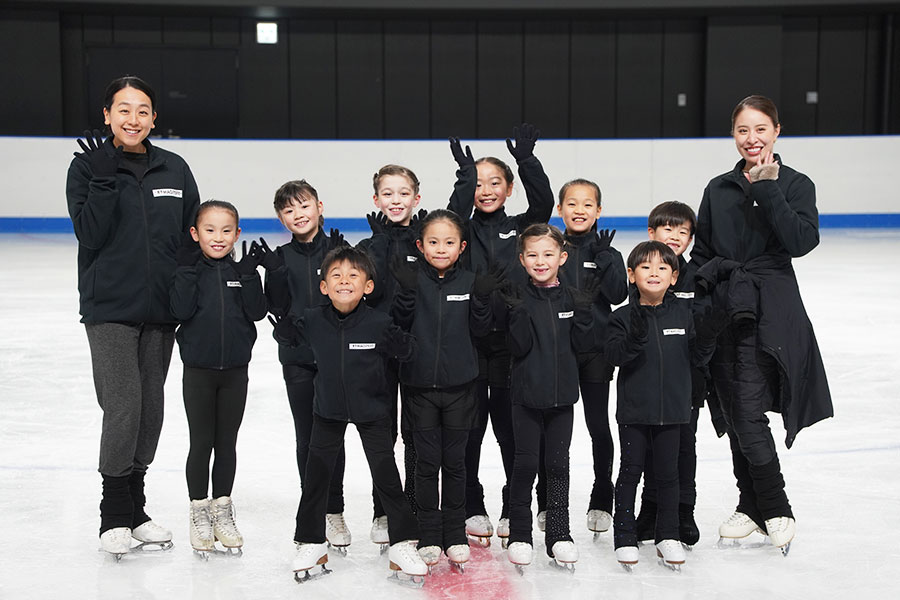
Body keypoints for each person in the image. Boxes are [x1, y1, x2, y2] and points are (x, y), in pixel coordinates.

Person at [691, 94, 833, 555]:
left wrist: (768, 186)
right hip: (724, 306)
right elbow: (705, 251)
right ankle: (750, 505)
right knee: (731, 408)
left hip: (770, 307)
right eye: (742, 131)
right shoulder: (717, 187)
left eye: (760, 129)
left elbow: (800, 241)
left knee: (748, 408)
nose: (751, 139)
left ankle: (776, 504)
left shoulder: (795, 183)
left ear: (776, 131)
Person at [66, 75, 200, 558]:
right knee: (123, 404)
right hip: (110, 309)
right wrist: (103, 177)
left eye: (142, 110)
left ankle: (136, 508)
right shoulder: (86, 169)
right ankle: (112, 515)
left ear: (154, 118)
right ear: (107, 115)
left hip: (162, 310)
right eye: (123, 109)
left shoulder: (173, 167)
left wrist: (191, 291)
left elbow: (191, 237)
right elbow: (90, 234)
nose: (132, 119)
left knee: (151, 409)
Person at [273, 246, 427, 584]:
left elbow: (407, 350)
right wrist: (282, 325)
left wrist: (401, 343)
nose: (345, 281)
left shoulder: (378, 322)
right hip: (327, 410)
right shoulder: (314, 319)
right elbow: (288, 334)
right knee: (316, 479)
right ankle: (311, 540)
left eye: (353, 275)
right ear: (324, 286)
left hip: (372, 411)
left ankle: (402, 541)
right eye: (336, 276)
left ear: (368, 286)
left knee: (386, 475)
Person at [357, 159, 476, 547]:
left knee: (415, 438)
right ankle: (383, 509)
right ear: (376, 199)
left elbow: (455, 221)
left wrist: (466, 176)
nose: (396, 200)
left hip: (419, 354)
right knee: (383, 432)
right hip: (380, 351)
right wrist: (377, 243)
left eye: (403, 193)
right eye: (388, 194)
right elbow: (362, 289)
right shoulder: (371, 242)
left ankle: (410, 507)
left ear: (416, 197)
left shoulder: (425, 240)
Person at [447, 124, 554, 547]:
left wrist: (526, 161)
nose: (485, 189)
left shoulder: (522, 227)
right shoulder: (462, 231)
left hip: (513, 349)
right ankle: (473, 503)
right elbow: (452, 217)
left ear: (509, 189)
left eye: (495, 182)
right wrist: (463, 178)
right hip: (471, 346)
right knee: (470, 429)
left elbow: (544, 202)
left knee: (512, 430)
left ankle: (515, 502)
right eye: (479, 183)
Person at [390, 209, 495, 571]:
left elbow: (481, 332)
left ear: (461, 247)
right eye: (433, 242)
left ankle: (454, 532)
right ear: (420, 246)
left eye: (449, 242)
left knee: (455, 464)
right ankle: (429, 532)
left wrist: (481, 300)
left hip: (461, 389)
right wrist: (404, 294)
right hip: (419, 388)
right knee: (425, 464)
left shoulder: (468, 281)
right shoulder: (412, 280)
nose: (440, 248)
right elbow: (399, 324)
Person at [605, 241, 720, 571]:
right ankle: (625, 536)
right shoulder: (622, 318)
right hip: (634, 413)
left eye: (662, 268)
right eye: (645, 266)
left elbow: (697, 359)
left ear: (674, 277)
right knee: (630, 473)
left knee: (669, 476)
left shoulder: (684, 315)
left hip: (674, 411)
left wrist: (708, 336)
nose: (653, 272)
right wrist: (633, 339)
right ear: (631, 274)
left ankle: (667, 534)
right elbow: (613, 356)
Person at [169, 200, 267, 554]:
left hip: (235, 372)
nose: (218, 237)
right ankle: (198, 509)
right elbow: (179, 310)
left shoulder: (241, 273)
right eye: (209, 230)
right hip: (198, 371)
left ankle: (222, 508)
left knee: (226, 442)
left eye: (226, 230)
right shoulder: (189, 270)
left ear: (237, 234)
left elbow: (257, 312)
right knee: (201, 442)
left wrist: (249, 273)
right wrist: (184, 270)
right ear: (195, 234)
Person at [261, 180, 352, 551]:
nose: (298, 214)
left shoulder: (338, 249)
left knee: (332, 433)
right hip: (298, 358)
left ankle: (335, 509)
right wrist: (275, 278)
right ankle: (314, 508)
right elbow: (274, 305)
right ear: (282, 219)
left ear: (319, 206)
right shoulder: (281, 258)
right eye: (288, 210)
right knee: (307, 437)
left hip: (336, 357)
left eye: (303, 206)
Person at [500, 224, 597, 572]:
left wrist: (584, 314)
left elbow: (584, 348)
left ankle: (559, 534)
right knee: (525, 465)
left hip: (562, 400)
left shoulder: (572, 298)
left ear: (562, 257)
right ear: (523, 260)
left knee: (557, 465)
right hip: (525, 398)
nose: (541, 261)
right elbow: (518, 347)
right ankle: (521, 535)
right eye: (533, 255)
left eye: (548, 254)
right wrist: (518, 314)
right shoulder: (517, 298)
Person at [546, 178, 627, 538]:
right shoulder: (549, 248)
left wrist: (608, 261)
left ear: (598, 211)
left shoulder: (606, 250)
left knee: (597, 424)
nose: (580, 210)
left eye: (587, 204)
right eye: (572, 204)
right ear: (560, 209)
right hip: (556, 350)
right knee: (553, 428)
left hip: (595, 350)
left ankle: (601, 495)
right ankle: (548, 500)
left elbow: (618, 294)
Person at [635, 200, 710, 547]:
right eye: (668, 229)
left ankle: (683, 509)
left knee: (683, 446)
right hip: (648, 377)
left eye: (683, 232)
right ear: (652, 232)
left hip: (686, 379)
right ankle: (649, 510)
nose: (675, 237)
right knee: (651, 446)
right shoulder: (645, 274)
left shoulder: (697, 275)